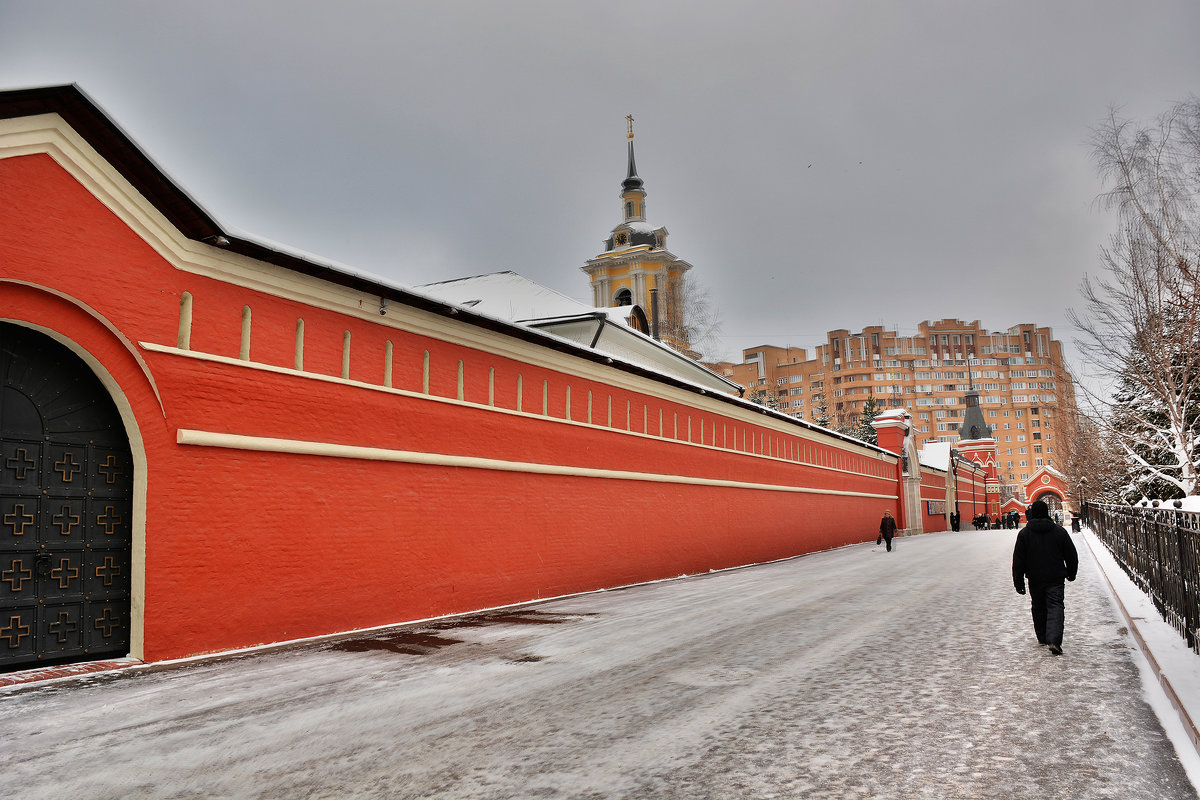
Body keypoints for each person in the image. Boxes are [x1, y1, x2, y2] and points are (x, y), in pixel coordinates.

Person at [1012, 500, 1079, 655]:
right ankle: (1054, 640)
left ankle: (1042, 637)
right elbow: (1071, 555)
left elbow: (1018, 560)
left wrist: (1019, 582)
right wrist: (1071, 572)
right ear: (1047, 513)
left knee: (1038, 606)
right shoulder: (1059, 532)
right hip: (1055, 578)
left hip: (1035, 578)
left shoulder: (1024, 534)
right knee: (1055, 606)